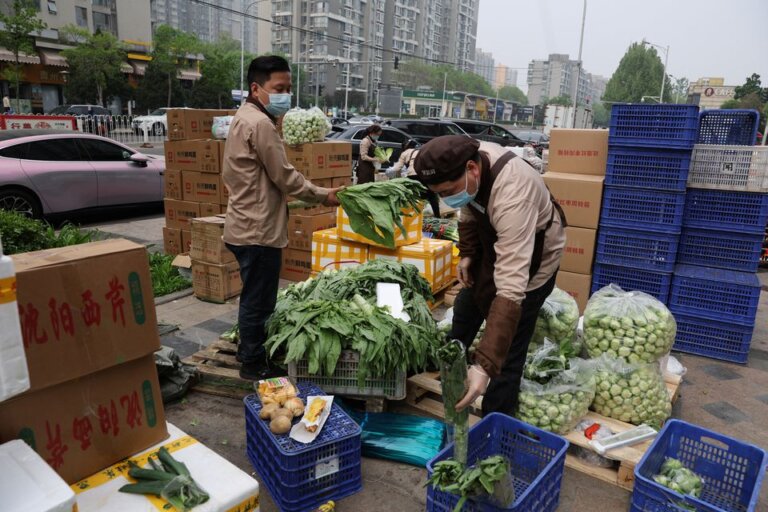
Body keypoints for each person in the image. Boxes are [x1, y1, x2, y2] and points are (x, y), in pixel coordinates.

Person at [414, 135, 566, 416]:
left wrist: (485, 365)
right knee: (466, 306)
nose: (447, 199)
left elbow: (511, 288)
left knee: (509, 349)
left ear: (472, 169)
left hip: (534, 258)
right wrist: (469, 253)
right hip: (494, 246)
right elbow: (468, 213)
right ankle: (452, 366)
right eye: (440, 194)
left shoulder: (513, 192)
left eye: (450, 191)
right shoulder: (468, 169)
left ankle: (496, 419)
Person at [222, 55, 343, 380]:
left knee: (254, 296)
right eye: (279, 88)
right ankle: (252, 363)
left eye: (288, 88)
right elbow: (286, 178)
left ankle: (249, 351)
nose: (285, 95)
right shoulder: (260, 124)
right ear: (256, 87)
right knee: (258, 302)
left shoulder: (243, 116)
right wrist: (325, 195)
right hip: (258, 231)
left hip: (243, 224)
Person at [392, 138, 441, 217]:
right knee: (431, 196)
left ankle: (413, 216)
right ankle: (437, 216)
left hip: (413, 176)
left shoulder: (405, 152)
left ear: (405, 146)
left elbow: (397, 168)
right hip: (425, 174)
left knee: (413, 196)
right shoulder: (421, 151)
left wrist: (394, 175)